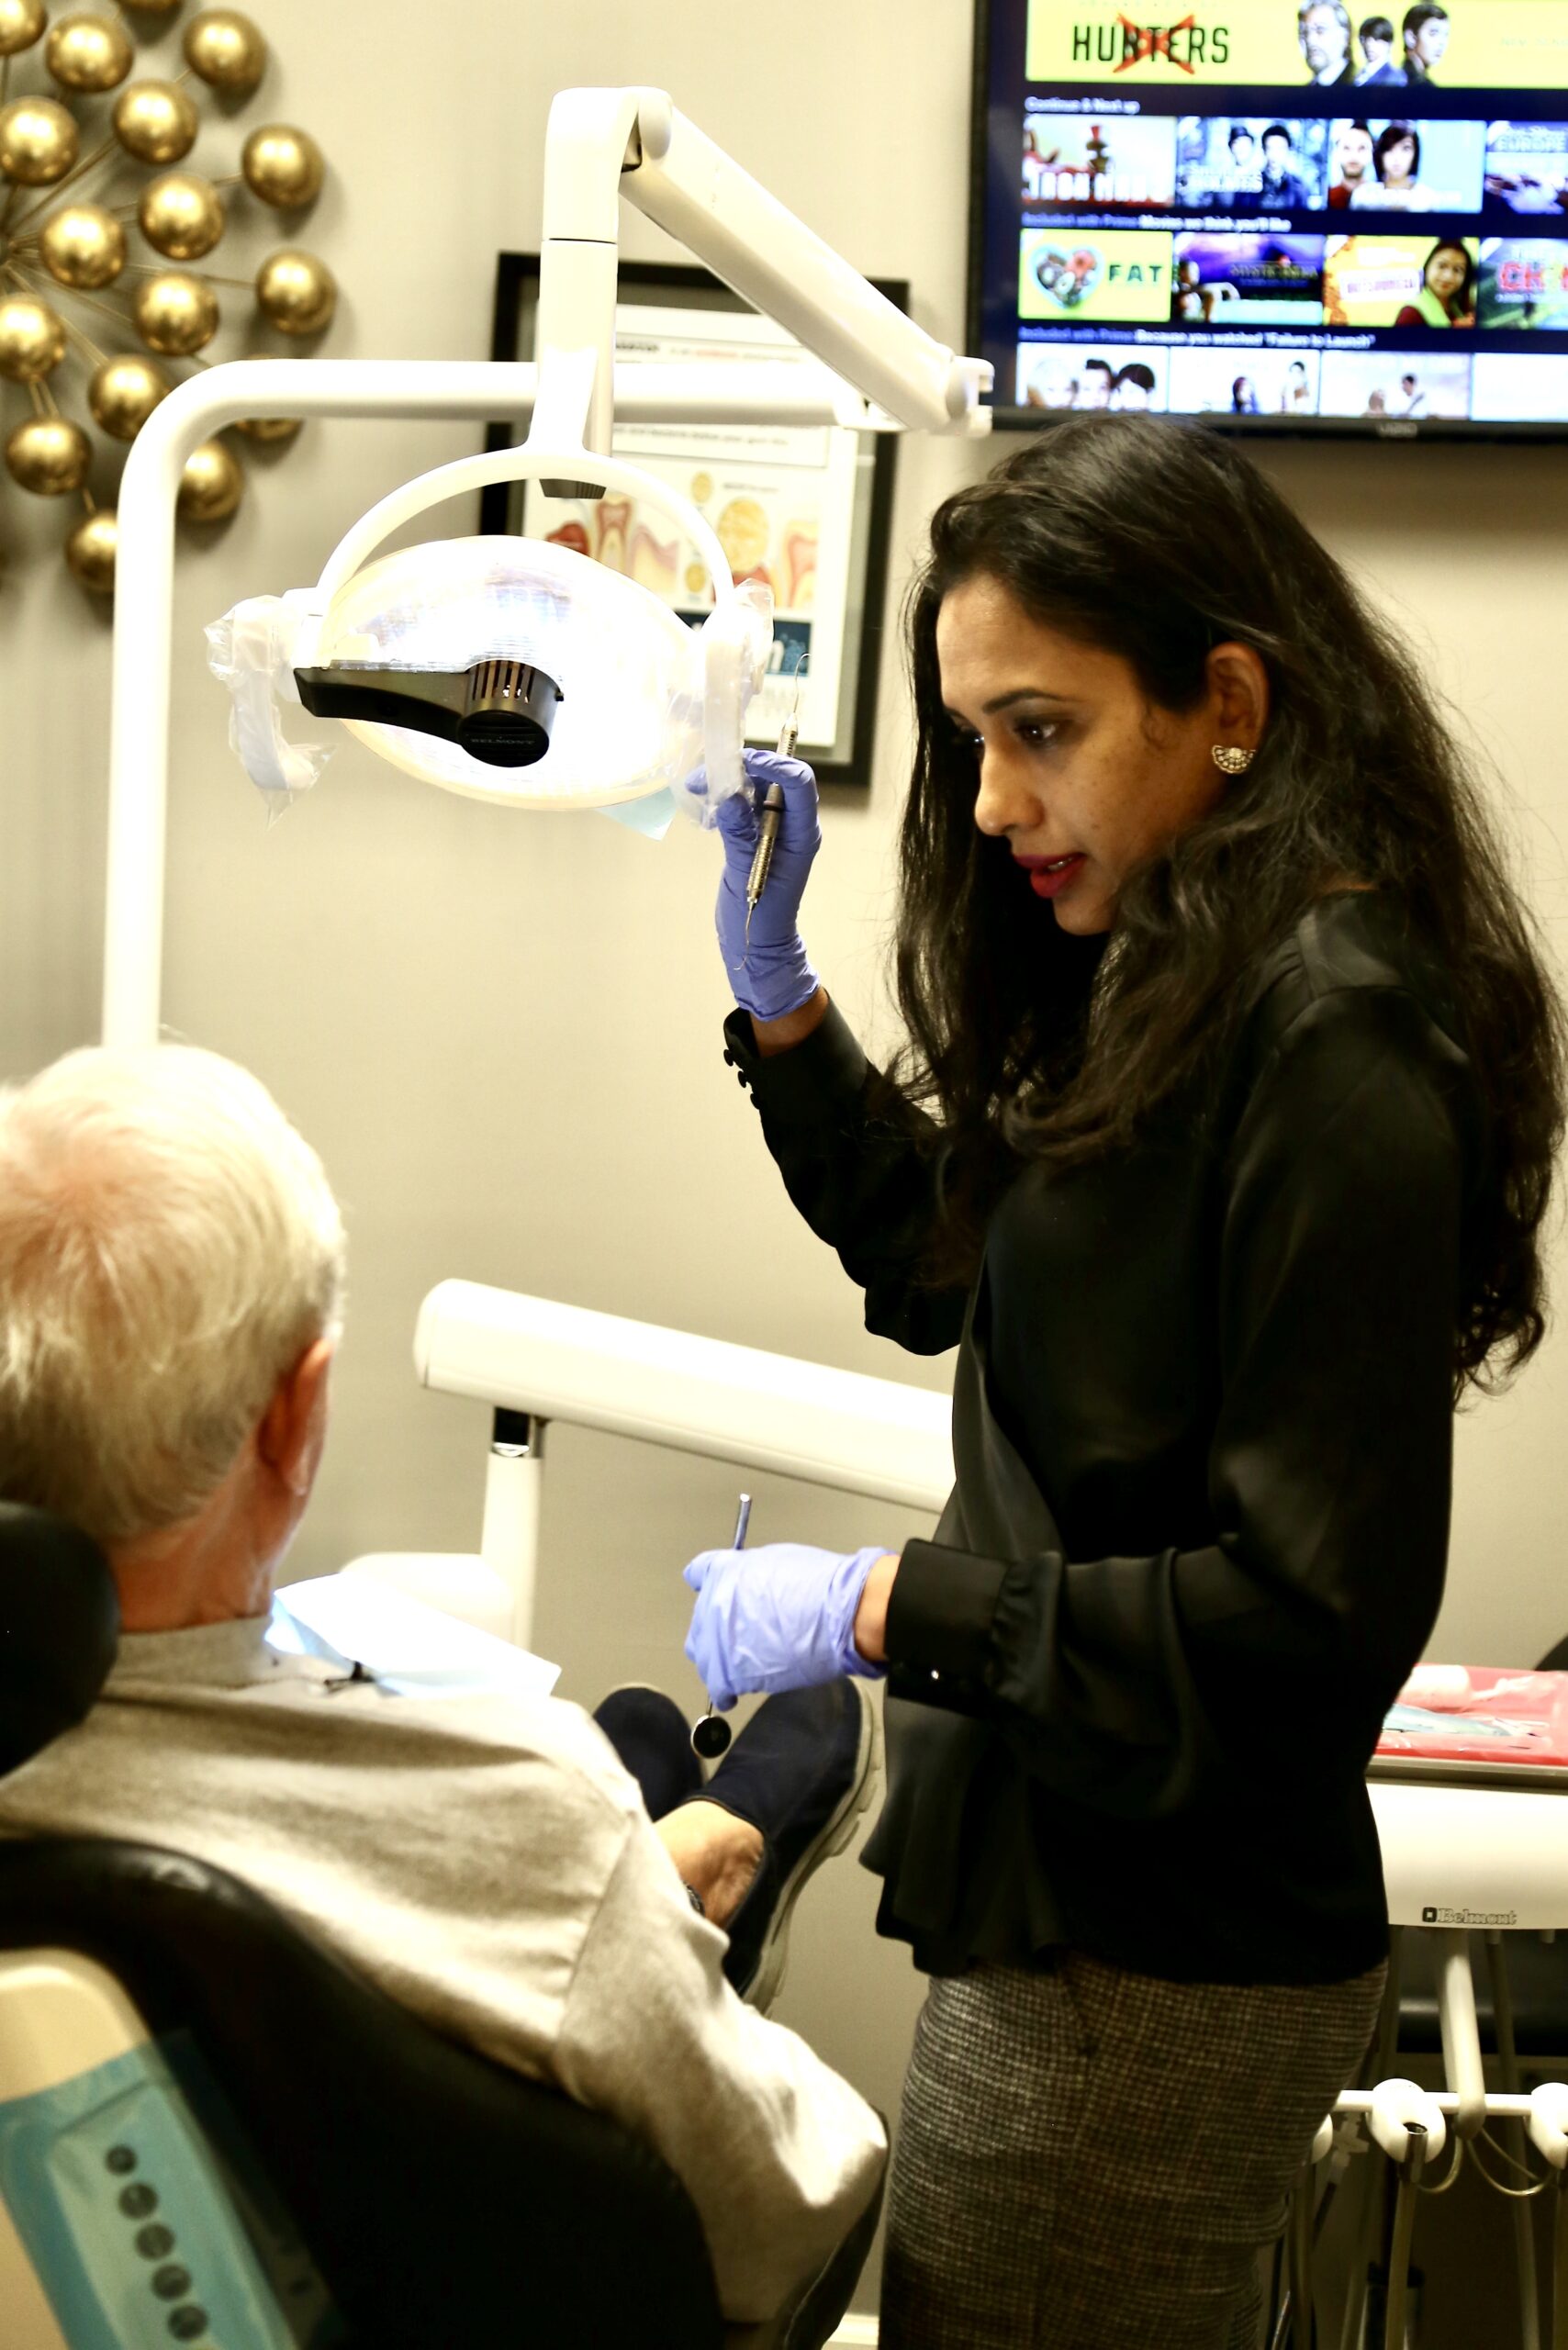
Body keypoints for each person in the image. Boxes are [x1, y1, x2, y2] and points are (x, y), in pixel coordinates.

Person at [681, 415, 1564, 2347]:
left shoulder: (1331, 1037)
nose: (991, 801)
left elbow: (1307, 1620)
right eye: (970, 735)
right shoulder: (1166, 962)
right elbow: (954, 1263)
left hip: (1154, 1960)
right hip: (1077, 1906)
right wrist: (779, 1001)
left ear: (1224, 699)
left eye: (1040, 727)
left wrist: (888, 1603)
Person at [0, 1045, 886, 2337]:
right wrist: (612, 1889)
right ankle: (706, 1894)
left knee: (627, 1752)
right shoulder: (527, 1808)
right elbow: (796, 2212)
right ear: (294, 1421)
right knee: (612, 1794)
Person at [1350, 120, 1434, 207]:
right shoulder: (1363, 197)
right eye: (1389, 149)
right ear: (1381, 155)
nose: (1397, 158)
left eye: (1405, 149)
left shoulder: (1426, 199)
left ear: (1415, 154)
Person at [1394, 237, 1476, 324]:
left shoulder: (1463, 307)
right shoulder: (1411, 313)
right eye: (1442, 266)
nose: (1448, 277)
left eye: (1457, 270)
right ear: (1427, 267)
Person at [1259, 121, 1315, 208]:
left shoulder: (1299, 187)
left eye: (1280, 148)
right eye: (1270, 148)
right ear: (1264, 150)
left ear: (1288, 150)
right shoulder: (1252, 183)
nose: (1275, 154)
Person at [1299, 0, 1356, 84]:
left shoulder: (1360, 84)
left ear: (1345, 37)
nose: (1310, 40)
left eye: (1320, 30)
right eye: (1304, 32)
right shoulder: (1305, 90)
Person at [1329, 118, 1376, 203]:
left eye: (1362, 148)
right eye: (1347, 148)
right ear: (1336, 152)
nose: (1354, 156)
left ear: (1372, 153)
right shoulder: (1328, 198)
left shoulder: (1379, 200)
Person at [1402, 0, 1449, 80]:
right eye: (1433, 33)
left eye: (1445, 35)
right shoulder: (1400, 81)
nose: (1442, 43)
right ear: (1411, 38)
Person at [1354, 12, 1406, 81]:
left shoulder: (1395, 78)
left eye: (1376, 39)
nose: (1369, 44)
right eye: (1365, 39)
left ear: (1389, 43)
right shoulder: (1358, 75)